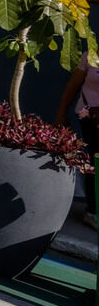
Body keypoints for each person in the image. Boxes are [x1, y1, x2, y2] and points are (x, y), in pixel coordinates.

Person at [56, 53, 99, 228]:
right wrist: (61, 112)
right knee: (96, 160)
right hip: (91, 116)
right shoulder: (92, 54)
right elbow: (73, 85)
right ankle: (93, 211)